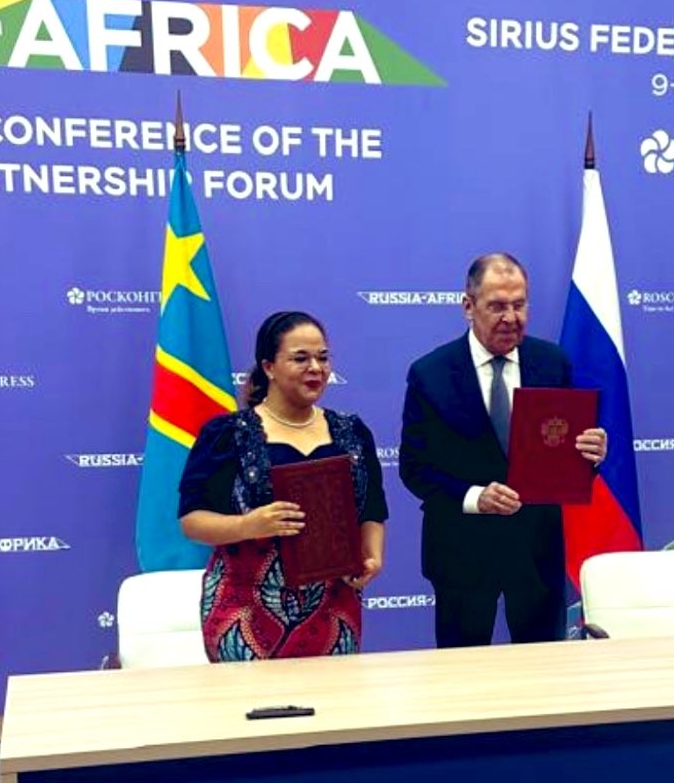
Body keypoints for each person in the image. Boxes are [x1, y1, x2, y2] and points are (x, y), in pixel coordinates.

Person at [399, 253, 607, 649]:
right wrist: (476, 497)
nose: (511, 318)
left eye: (519, 304)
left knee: (545, 670)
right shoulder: (430, 372)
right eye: (497, 306)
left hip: (536, 550)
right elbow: (414, 467)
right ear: (468, 306)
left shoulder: (552, 363)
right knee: (462, 671)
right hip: (462, 551)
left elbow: (565, 460)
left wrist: (591, 456)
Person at [179, 310, 387, 661]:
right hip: (245, 605)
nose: (316, 368)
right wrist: (248, 525)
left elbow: (371, 510)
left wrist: (372, 557)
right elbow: (191, 521)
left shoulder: (352, 432)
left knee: (336, 696)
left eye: (323, 358)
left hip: (334, 605)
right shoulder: (228, 434)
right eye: (300, 358)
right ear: (269, 367)